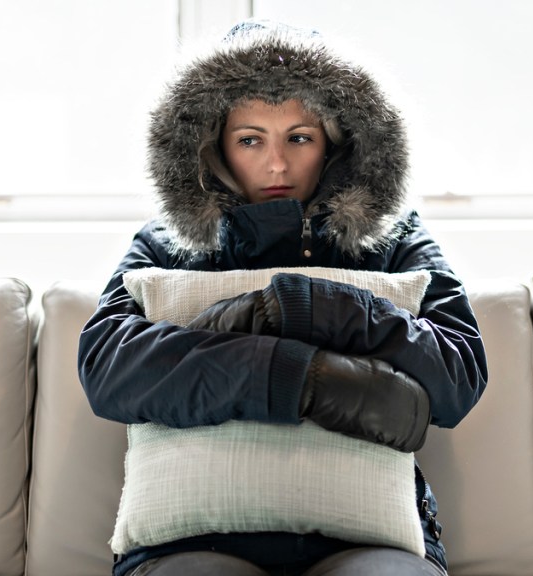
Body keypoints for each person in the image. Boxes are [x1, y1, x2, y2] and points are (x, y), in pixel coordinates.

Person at [78, 19, 488, 576]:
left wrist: (300, 307)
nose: (276, 164)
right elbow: (108, 366)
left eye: (299, 137)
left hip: (368, 545)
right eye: (250, 140)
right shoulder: (166, 242)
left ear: (336, 143)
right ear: (213, 146)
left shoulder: (393, 237)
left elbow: (458, 374)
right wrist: (302, 378)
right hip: (191, 545)